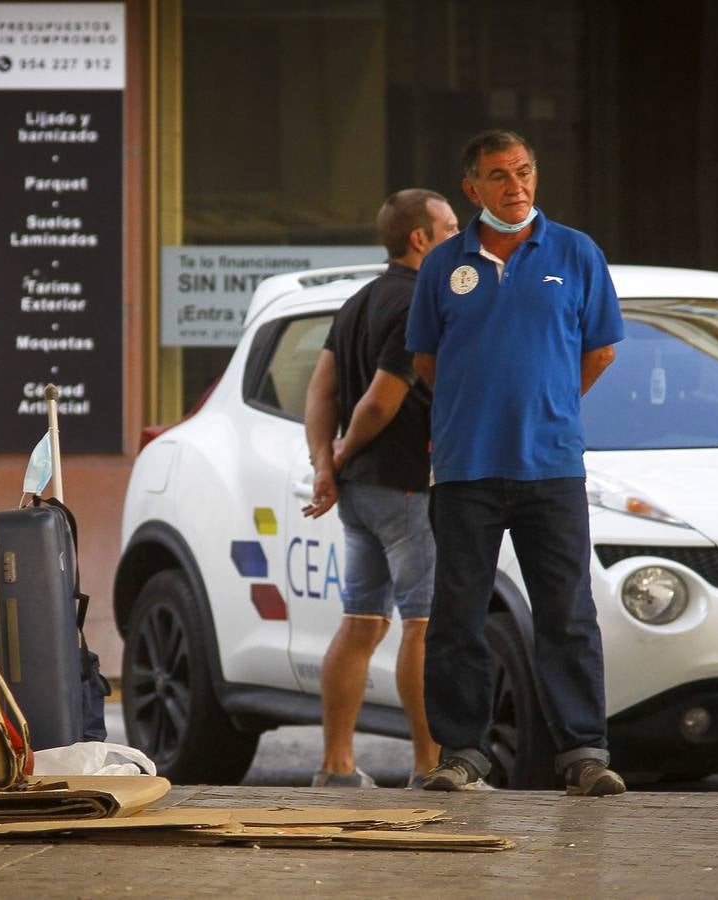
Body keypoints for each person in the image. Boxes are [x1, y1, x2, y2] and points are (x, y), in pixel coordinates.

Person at [405, 129, 627, 795]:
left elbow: (600, 351)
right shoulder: (445, 264)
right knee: (458, 615)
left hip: (551, 468)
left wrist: (547, 403)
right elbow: (425, 360)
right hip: (466, 470)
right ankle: (462, 753)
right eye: (499, 175)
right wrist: (474, 410)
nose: (516, 185)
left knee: (566, 613)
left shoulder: (576, 252)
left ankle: (583, 754)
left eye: (525, 171)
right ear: (472, 188)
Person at [301, 188, 460, 788]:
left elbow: (321, 391)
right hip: (406, 485)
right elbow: (381, 400)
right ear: (420, 238)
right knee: (422, 624)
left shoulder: (359, 300)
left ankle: (336, 766)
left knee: (363, 622)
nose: (458, 239)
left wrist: (326, 463)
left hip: (360, 492)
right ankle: (431, 765)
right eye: (449, 229)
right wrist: (340, 453)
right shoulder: (422, 297)